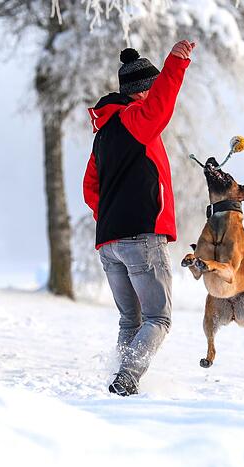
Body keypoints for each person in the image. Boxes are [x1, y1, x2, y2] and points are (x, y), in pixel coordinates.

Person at [83, 40, 195, 396]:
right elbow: (162, 104)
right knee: (158, 318)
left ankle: (121, 381)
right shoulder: (136, 120)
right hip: (140, 239)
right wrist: (176, 63)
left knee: (130, 319)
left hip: (109, 243)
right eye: (152, 87)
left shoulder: (103, 135)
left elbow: (90, 187)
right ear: (142, 93)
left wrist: (112, 219)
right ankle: (126, 379)